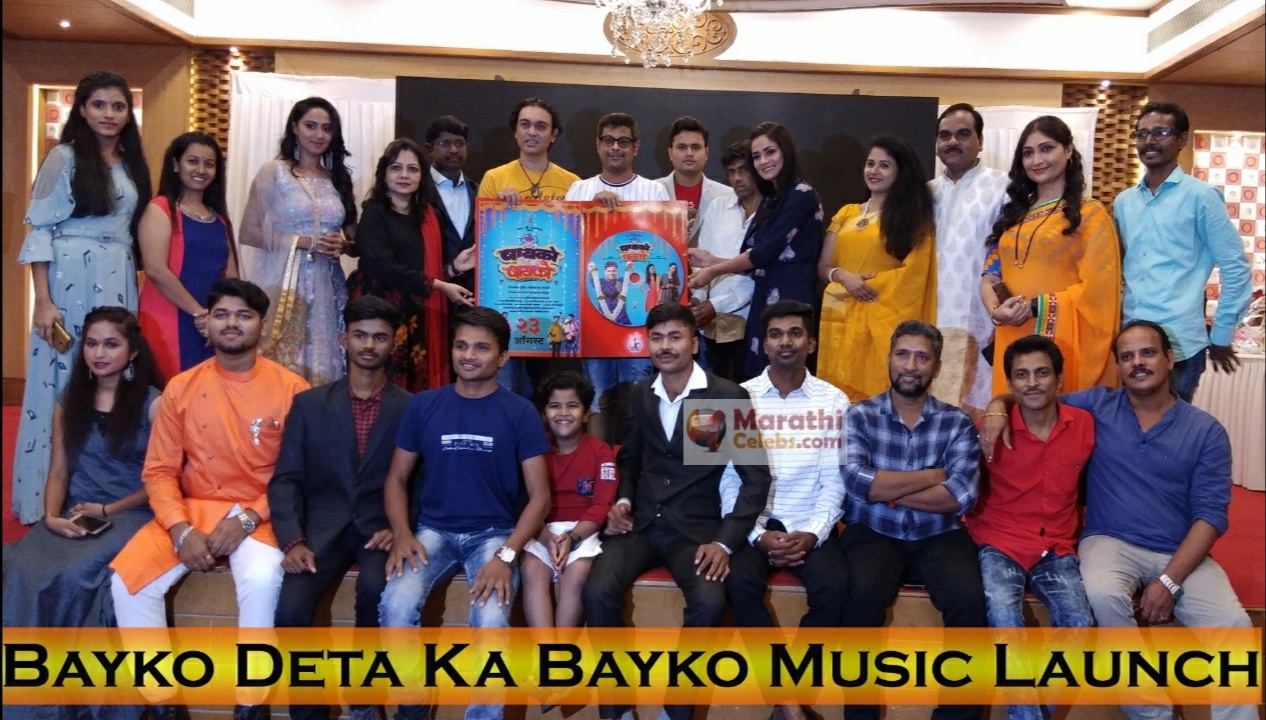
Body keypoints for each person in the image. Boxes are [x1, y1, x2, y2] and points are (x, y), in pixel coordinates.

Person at [981, 320, 1255, 720]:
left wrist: (1170, 580)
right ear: (1118, 366)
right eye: (1127, 356)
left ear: (1169, 359)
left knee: (1234, 625)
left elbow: (1211, 515)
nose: (1137, 363)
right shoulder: (1099, 405)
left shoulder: (1205, 431)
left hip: (1180, 549)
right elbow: (1033, 393)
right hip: (1110, 541)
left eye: (1147, 353)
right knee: (1102, 596)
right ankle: (1153, 715)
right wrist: (996, 406)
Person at [109, 279, 309, 720]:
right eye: (222, 314)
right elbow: (159, 471)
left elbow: (298, 475)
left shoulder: (292, 389)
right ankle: (162, 704)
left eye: (243, 315)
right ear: (208, 324)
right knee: (127, 583)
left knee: (262, 580)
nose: (232, 323)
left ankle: (250, 705)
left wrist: (248, 518)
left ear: (262, 324)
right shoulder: (182, 387)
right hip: (193, 508)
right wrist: (180, 530)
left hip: (262, 513)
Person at [582, 303, 771, 720]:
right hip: (640, 525)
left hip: (696, 532)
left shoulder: (727, 395)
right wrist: (623, 502)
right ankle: (616, 711)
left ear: (694, 343)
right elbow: (630, 461)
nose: (665, 346)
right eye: (657, 338)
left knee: (709, 602)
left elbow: (756, 478)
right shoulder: (639, 394)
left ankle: (675, 712)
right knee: (596, 591)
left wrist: (725, 542)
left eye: (674, 337)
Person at [378, 307, 551, 720]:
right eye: (461, 346)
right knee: (395, 606)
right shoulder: (424, 405)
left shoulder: (520, 412)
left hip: (494, 534)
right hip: (432, 531)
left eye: (481, 348)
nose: (468, 355)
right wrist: (402, 533)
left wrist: (506, 555)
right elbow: (396, 479)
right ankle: (412, 708)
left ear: (503, 357)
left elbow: (540, 497)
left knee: (490, 623)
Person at [14, 70, 152, 525]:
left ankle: (104, 486)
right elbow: (39, 230)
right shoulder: (64, 157)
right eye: (99, 105)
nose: (109, 114)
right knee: (63, 376)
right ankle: (46, 496)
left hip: (118, 274)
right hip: (69, 274)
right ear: (83, 109)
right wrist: (42, 300)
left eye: (118, 106)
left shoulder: (132, 162)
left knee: (113, 374)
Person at [270, 296, 413, 720]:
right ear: (342, 340)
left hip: (380, 530)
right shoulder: (310, 404)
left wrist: (401, 527)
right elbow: (286, 478)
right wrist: (292, 540)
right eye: (360, 335)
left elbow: (423, 480)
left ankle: (363, 699)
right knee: (290, 612)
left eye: (380, 337)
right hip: (321, 530)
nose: (369, 345)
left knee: (375, 593)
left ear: (394, 344)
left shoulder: (411, 408)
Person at [838, 320, 985, 720]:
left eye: (922, 357)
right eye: (902, 354)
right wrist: (934, 474)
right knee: (859, 601)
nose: (910, 365)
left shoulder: (957, 422)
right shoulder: (859, 416)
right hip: (872, 532)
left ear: (936, 367)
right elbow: (857, 481)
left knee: (971, 605)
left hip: (940, 535)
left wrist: (887, 489)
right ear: (889, 359)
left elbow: (961, 495)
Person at [724, 300, 849, 720]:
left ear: (810, 343)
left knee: (836, 588)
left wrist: (813, 533)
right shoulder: (738, 398)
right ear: (764, 344)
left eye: (795, 333)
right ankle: (791, 705)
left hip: (810, 523)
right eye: (776, 334)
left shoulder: (834, 401)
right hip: (751, 522)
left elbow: (834, 481)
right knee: (737, 583)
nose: (785, 342)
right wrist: (756, 534)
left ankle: (785, 699)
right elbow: (728, 481)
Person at [3, 308, 161, 635]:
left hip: (133, 512)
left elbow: (164, 481)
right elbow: (59, 469)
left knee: (75, 573)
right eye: (91, 344)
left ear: (132, 352)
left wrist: (107, 509)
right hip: (77, 509)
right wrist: (51, 517)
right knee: (21, 566)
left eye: (111, 344)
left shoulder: (154, 404)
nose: (99, 353)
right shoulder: (68, 400)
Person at [967, 335, 1094, 720]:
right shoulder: (989, 430)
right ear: (1009, 383)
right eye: (1021, 375)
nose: (1032, 383)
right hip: (999, 541)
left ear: (1059, 379)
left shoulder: (1084, 425)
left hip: (1056, 546)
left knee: (1079, 624)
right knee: (1005, 623)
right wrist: (997, 406)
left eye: (1042, 373)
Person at [1115, 102, 1253, 402]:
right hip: (1130, 338)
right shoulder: (1124, 202)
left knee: (1171, 426)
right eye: (1142, 134)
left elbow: (1235, 267)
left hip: (1178, 343)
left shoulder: (1201, 197)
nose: (1149, 141)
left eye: (1161, 133)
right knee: (1128, 425)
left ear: (1182, 139)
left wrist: (1221, 333)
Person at [980, 114, 1121, 396]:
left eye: (1046, 149)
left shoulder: (1089, 215)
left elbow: (1100, 292)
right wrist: (996, 311)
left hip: (1061, 340)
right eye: (1028, 153)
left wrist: (1037, 307)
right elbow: (991, 276)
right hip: (1012, 332)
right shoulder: (1011, 217)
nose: (1037, 160)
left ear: (1068, 151)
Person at [687, 122, 823, 379]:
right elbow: (755, 259)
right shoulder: (772, 199)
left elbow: (763, 254)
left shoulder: (801, 194)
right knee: (756, 382)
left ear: (786, 151)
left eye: (770, 152)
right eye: (757, 156)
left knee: (787, 379)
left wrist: (713, 269)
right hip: (763, 303)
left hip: (791, 300)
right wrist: (710, 261)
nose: (763, 161)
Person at [239, 96, 357, 387]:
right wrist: (305, 242)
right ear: (294, 127)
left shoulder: (338, 179)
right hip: (287, 280)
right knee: (285, 359)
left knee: (327, 359)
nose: (319, 135)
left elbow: (355, 241)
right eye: (310, 126)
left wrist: (343, 246)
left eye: (327, 129)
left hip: (329, 283)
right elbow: (248, 232)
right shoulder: (274, 172)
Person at [565, 113, 667, 443]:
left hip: (638, 318)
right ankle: (601, 466)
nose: (615, 148)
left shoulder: (654, 190)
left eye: (623, 141)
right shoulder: (580, 189)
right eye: (608, 140)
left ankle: (633, 469)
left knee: (637, 399)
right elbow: (566, 245)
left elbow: (665, 250)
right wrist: (591, 208)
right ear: (598, 145)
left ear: (635, 147)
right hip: (593, 316)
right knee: (597, 399)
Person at [818, 135, 937, 402]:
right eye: (870, 163)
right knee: (838, 399)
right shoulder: (846, 213)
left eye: (885, 165)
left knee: (877, 395)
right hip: (840, 320)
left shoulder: (913, 220)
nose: (874, 171)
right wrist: (842, 276)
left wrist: (866, 286)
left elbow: (915, 275)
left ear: (900, 172)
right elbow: (824, 266)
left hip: (883, 322)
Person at [350, 138, 475, 391]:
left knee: (418, 388)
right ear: (384, 174)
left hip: (420, 315)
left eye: (413, 169)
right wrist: (438, 284)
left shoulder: (430, 216)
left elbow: (429, 271)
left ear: (421, 176)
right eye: (396, 168)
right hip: (382, 316)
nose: (404, 175)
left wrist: (454, 268)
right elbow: (380, 266)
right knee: (383, 387)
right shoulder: (374, 213)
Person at [477, 98, 580, 397]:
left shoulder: (572, 183)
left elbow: (579, 243)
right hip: (507, 302)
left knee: (550, 390)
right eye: (525, 124)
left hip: (554, 302)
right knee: (504, 387)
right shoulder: (495, 178)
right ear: (515, 131)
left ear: (554, 134)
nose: (532, 132)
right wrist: (498, 208)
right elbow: (483, 240)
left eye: (541, 126)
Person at [138, 131, 239, 382]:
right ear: (176, 164)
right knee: (172, 390)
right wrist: (200, 315)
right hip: (168, 317)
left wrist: (225, 318)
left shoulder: (220, 220)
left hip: (211, 324)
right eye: (193, 161)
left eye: (209, 164)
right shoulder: (160, 209)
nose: (201, 170)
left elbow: (232, 279)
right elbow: (156, 271)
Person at [927, 104, 1009, 416]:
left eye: (963, 134)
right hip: (931, 315)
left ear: (981, 141)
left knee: (979, 405)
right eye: (944, 136)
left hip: (981, 317)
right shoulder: (925, 193)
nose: (952, 142)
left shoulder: (1004, 187)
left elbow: (1009, 252)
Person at [522, 371, 617, 629]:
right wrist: (546, 537)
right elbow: (524, 501)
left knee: (577, 574)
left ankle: (562, 651)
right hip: (540, 529)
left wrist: (572, 537)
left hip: (583, 530)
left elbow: (601, 505)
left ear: (586, 414)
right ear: (544, 414)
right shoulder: (534, 449)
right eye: (554, 406)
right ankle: (545, 651)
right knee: (531, 570)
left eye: (572, 405)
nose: (563, 413)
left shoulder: (601, 451)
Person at [690, 140, 759, 383]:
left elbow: (758, 269)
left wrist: (716, 305)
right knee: (710, 397)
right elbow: (702, 259)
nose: (737, 178)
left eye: (744, 170)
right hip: (709, 324)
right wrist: (698, 300)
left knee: (745, 396)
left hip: (751, 319)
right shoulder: (719, 206)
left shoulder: (773, 212)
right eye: (731, 172)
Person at [654, 116, 736, 246]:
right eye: (682, 147)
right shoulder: (651, 191)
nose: (689, 153)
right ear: (670, 153)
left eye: (696, 147)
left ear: (706, 153)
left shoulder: (728, 196)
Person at [425, 115, 479, 299]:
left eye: (459, 143)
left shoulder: (479, 192)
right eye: (445, 143)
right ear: (429, 149)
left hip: (471, 293)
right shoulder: (417, 191)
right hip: (430, 292)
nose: (454, 150)